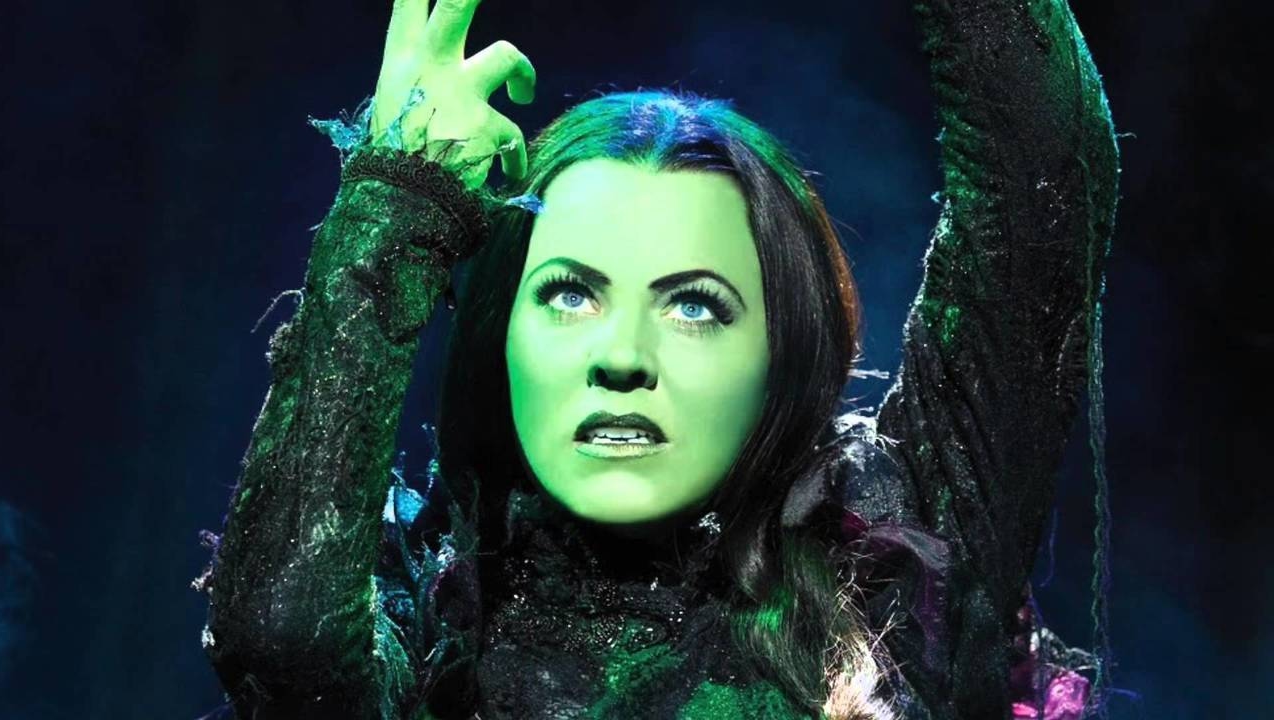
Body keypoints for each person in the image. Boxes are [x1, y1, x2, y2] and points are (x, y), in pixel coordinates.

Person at [195, 0, 1119, 718]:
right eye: (570, 294)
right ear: (498, 332)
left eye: (694, 306)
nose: (622, 358)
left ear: (781, 358)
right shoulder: (430, 639)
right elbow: (281, 640)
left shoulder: (899, 574)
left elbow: (1042, 185)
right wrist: (402, 190)